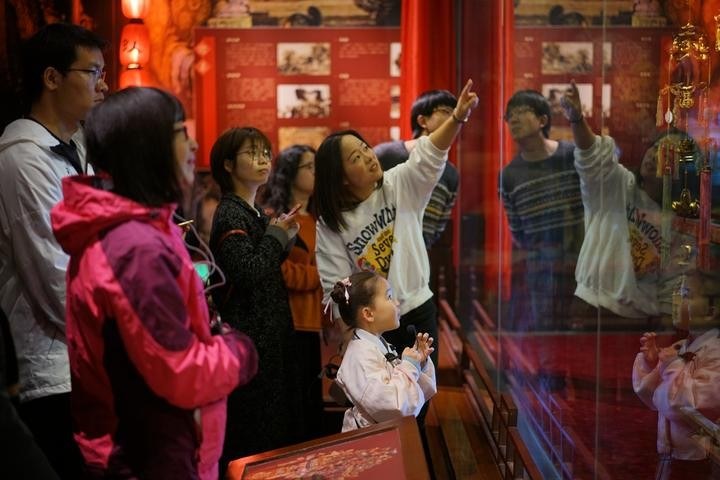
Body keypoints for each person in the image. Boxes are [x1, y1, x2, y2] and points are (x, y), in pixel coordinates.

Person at [49, 86, 258, 479]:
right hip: (151, 457)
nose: (194, 145)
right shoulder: (135, 248)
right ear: (148, 148)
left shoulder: (141, 229)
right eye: (181, 133)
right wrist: (240, 352)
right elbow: (181, 372)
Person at [0, 22, 108, 478]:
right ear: (51, 78)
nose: (103, 85)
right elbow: (57, 276)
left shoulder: (75, 150)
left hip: (85, 362)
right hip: (51, 370)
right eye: (92, 72)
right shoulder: (23, 157)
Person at [314, 79, 478, 366]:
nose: (369, 157)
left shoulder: (398, 183)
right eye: (356, 157)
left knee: (421, 388)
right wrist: (350, 339)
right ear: (341, 177)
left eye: (365, 148)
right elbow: (336, 286)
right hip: (373, 323)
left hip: (418, 309)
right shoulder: (331, 222)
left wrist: (456, 118)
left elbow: (430, 155)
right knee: (383, 391)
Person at [209, 127, 304, 469]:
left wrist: (281, 237)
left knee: (275, 428)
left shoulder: (251, 211)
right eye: (252, 153)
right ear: (228, 164)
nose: (263, 160)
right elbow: (248, 272)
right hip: (252, 338)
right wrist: (276, 235)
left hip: (267, 336)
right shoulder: (230, 213)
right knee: (257, 436)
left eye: (265, 152)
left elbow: (263, 266)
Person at [561, 81, 697, 319]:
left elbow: (672, 284)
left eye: (667, 155)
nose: (654, 156)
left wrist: (665, 329)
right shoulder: (620, 185)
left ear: (682, 173)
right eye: (656, 148)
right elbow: (591, 156)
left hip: (638, 318)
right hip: (591, 304)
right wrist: (577, 119)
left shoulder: (680, 225)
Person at [499, 89, 585, 331]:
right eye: (509, 116)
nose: (514, 119)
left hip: (581, 261)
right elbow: (517, 231)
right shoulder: (509, 175)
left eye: (521, 112)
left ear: (543, 120)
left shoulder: (571, 156)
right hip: (541, 268)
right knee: (544, 330)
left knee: (579, 331)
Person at [258, 144, 325, 440]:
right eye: (309, 167)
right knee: (295, 403)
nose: (316, 173)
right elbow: (278, 270)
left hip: (314, 321)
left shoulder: (318, 217)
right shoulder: (279, 218)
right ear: (290, 173)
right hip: (291, 320)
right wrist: (322, 275)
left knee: (311, 400)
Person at [330, 272, 436, 431]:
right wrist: (409, 366)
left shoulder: (375, 344)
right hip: (371, 438)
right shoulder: (360, 356)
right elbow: (394, 408)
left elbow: (414, 398)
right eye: (389, 297)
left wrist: (419, 362)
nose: (397, 302)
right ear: (368, 314)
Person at [632, 311, 720, 479]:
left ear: (711, 310)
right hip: (672, 457)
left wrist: (671, 367)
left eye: (687, 297)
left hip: (702, 463)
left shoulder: (716, 352)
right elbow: (652, 398)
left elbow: (688, 408)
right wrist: (652, 364)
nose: (677, 301)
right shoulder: (681, 346)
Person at [374, 89, 460, 250]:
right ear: (422, 120)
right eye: (446, 111)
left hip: (419, 253)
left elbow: (437, 226)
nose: (454, 119)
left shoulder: (451, 174)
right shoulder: (386, 155)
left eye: (456, 114)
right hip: (378, 252)